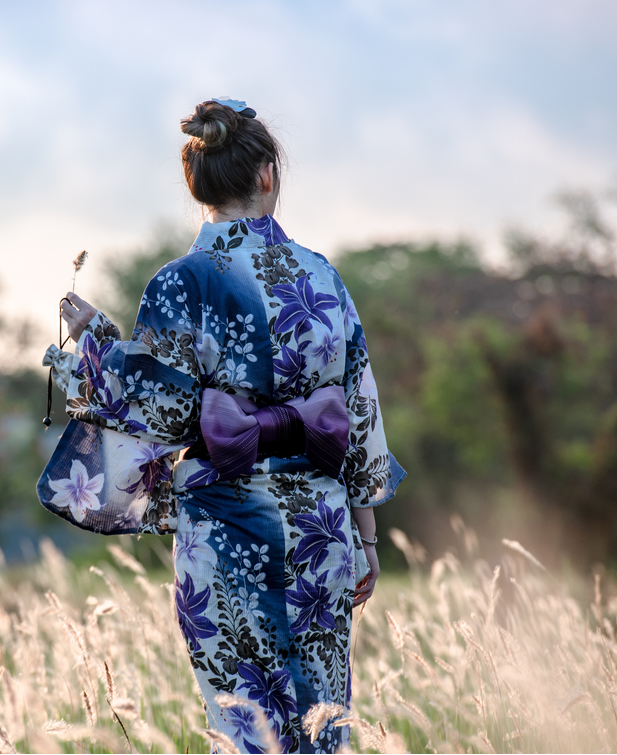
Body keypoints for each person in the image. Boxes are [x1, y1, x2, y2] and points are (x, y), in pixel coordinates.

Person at [40, 98, 404, 753]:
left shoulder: (179, 283)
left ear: (197, 184)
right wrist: (367, 538)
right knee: (323, 720)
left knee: (246, 724)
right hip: (322, 529)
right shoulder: (323, 277)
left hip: (224, 528)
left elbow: (162, 411)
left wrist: (97, 343)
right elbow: (357, 410)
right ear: (267, 174)